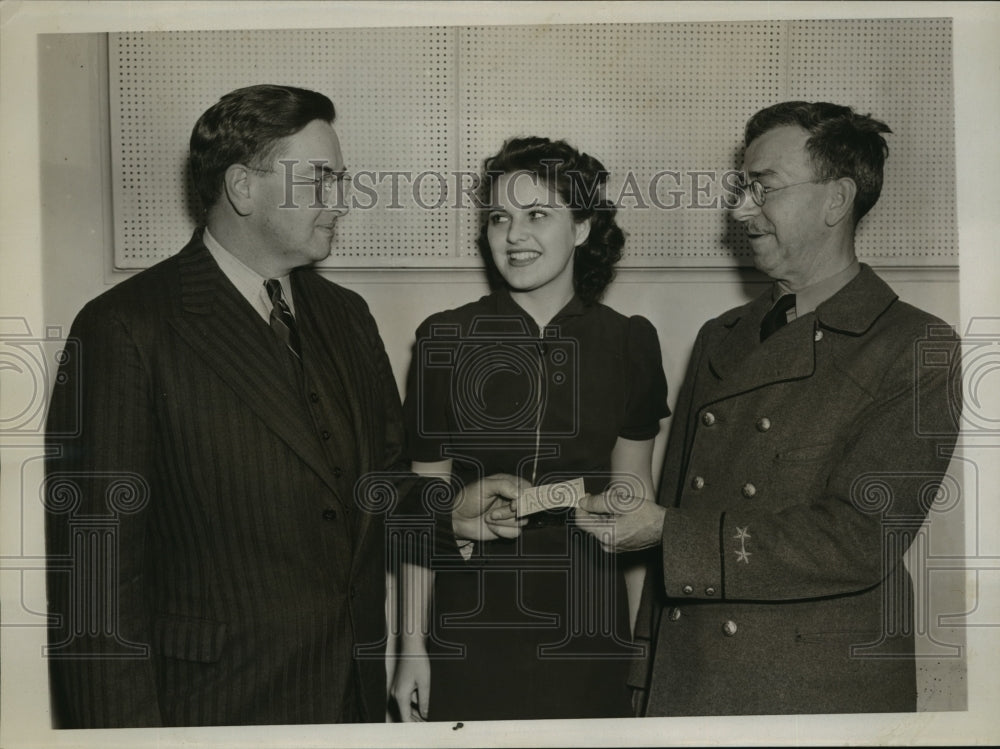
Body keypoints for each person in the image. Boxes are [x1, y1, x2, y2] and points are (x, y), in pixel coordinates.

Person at [43, 83, 515, 728]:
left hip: (346, 704)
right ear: (243, 187)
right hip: (210, 714)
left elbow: (377, 487)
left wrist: (453, 510)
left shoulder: (346, 316)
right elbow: (95, 588)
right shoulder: (126, 328)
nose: (340, 201)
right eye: (320, 179)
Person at [577, 101, 961, 715]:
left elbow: (860, 538)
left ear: (836, 201)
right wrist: (643, 676)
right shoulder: (720, 334)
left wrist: (668, 533)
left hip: (810, 692)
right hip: (690, 677)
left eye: (763, 188)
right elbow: (675, 503)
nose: (739, 209)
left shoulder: (917, 347)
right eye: (741, 186)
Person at [390, 136, 670, 721]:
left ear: (583, 227)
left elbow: (636, 504)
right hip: (472, 620)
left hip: (591, 622)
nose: (513, 236)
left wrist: (644, 653)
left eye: (538, 215)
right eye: (499, 218)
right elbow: (419, 506)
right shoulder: (444, 339)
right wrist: (410, 646)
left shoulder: (630, 343)